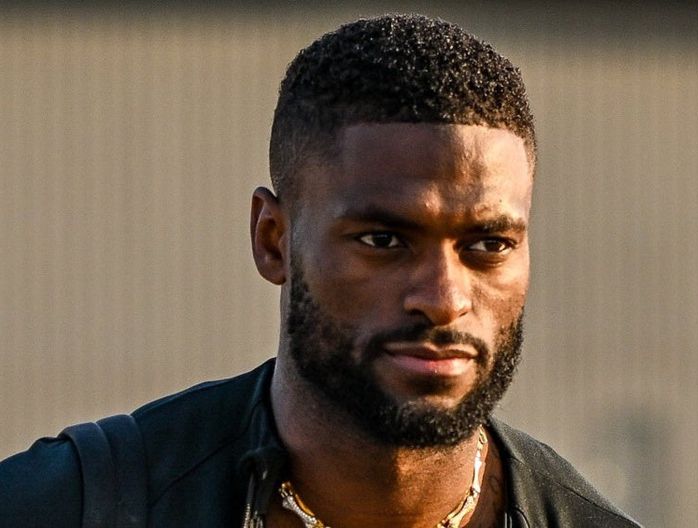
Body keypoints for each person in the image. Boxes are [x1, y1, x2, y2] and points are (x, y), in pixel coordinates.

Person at [0, 14, 639, 528]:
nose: (444, 298)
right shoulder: (69, 506)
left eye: (489, 244)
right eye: (384, 240)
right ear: (273, 241)